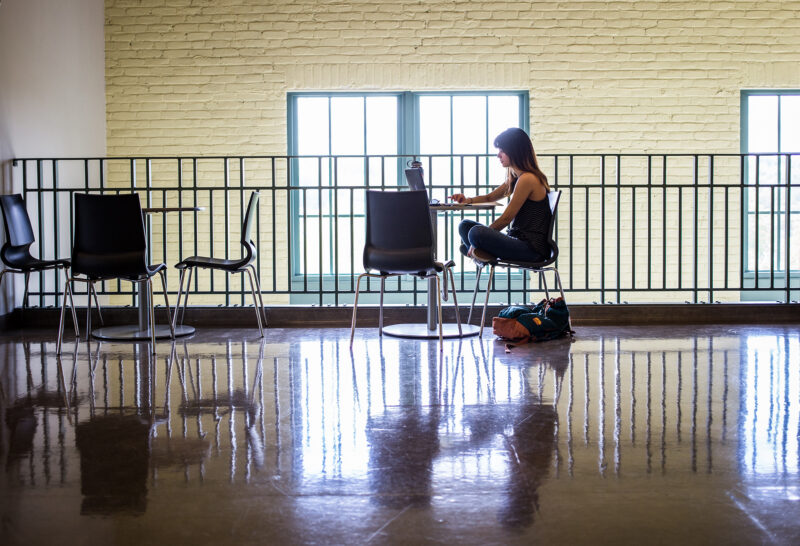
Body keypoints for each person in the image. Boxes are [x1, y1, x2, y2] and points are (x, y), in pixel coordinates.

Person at [450, 127, 552, 264]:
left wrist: (477, 240)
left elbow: (506, 218)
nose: (498, 155)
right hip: (518, 241)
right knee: (465, 225)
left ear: (515, 151)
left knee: (476, 233)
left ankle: (479, 253)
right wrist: (467, 200)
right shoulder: (516, 177)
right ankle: (481, 254)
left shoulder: (528, 179)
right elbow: (489, 198)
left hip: (531, 249)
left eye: (502, 151)